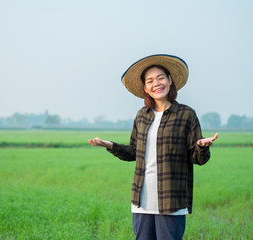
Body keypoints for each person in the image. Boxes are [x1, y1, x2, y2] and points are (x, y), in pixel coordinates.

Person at [88, 54, 218, 240]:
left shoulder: (186, 114)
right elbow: (134, 152)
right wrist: (108, 144)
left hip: (172, 200)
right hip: (142, 200)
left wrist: (202, 147)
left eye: (160, 78)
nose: (156, 83)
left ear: (170, 80)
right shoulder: (142, 115)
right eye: (150, 81)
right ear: (145, 89)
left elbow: (198, 159)